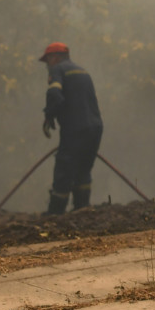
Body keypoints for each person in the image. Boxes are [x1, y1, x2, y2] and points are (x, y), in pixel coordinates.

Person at [37, 42, 103, 214]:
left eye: (48, 61)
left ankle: (55, 215)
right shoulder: (83, 72)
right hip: (95, 129)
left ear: (55, 58)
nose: (47, 66)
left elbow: (54, 95)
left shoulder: (58, 70)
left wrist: (49, 115)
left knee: (64, 170)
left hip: (75, 130)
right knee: (83, 170)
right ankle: (82, 210)